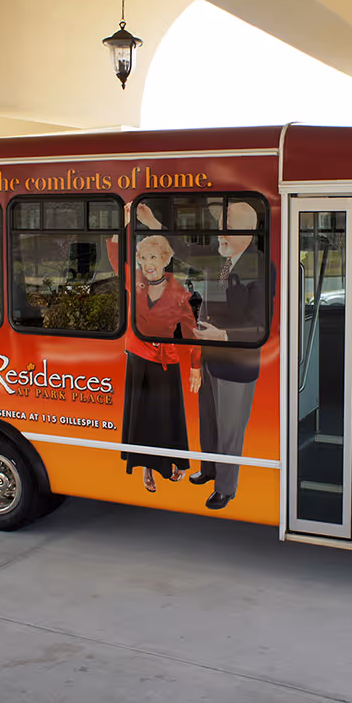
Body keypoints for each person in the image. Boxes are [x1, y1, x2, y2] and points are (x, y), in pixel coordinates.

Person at [135, 200, 272, 510]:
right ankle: (209, 470)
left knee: (229, 428)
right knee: (209, 421)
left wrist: (223, 335)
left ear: (246, 231)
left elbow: (262, 325)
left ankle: (226, 487)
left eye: (227, 228)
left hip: (237, 362)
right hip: (210, 356)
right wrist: (155, 225)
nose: (220, 233)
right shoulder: (219, 259)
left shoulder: (261, 266)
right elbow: (184, 251)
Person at [107, 218, 201, 493]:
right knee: (144, 419)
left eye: (154, 257)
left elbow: (191, 332)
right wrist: (123, 222)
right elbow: (114, 253)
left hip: (164, 362)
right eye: (144, 257)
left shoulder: (180, 293)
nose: (148, 263)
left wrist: (195, 367)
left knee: (166, 417)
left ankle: (175, 461)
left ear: (164, 260)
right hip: (137, 358)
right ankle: (148, 468)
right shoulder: (134, 281)